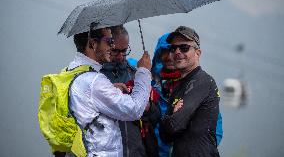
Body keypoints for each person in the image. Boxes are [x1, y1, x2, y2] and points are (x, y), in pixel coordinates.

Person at [68, 24, 152, 157]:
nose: (112, 46)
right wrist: (144, 71)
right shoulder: (94, 81)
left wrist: (111, 90)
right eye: (109, 41)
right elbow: (134, 109)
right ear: (93, 44)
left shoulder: (73, 71)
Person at [159, 26, 220, 157]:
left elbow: (174, 126)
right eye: (173, 48)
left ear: (198, 53)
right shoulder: (178, 88)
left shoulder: (203, 81)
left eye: (184, 48)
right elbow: (165, 136)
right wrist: (171, 117)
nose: (177, 52)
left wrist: (170, 117)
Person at [100, 25, 160, 157]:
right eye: (115, 51)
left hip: (136, 151)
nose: (121, 57)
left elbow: (156, 117)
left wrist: (149, 107)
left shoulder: (137, 75)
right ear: (106, 46)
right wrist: (110, 92)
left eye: (124, 51)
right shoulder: (96, 77)